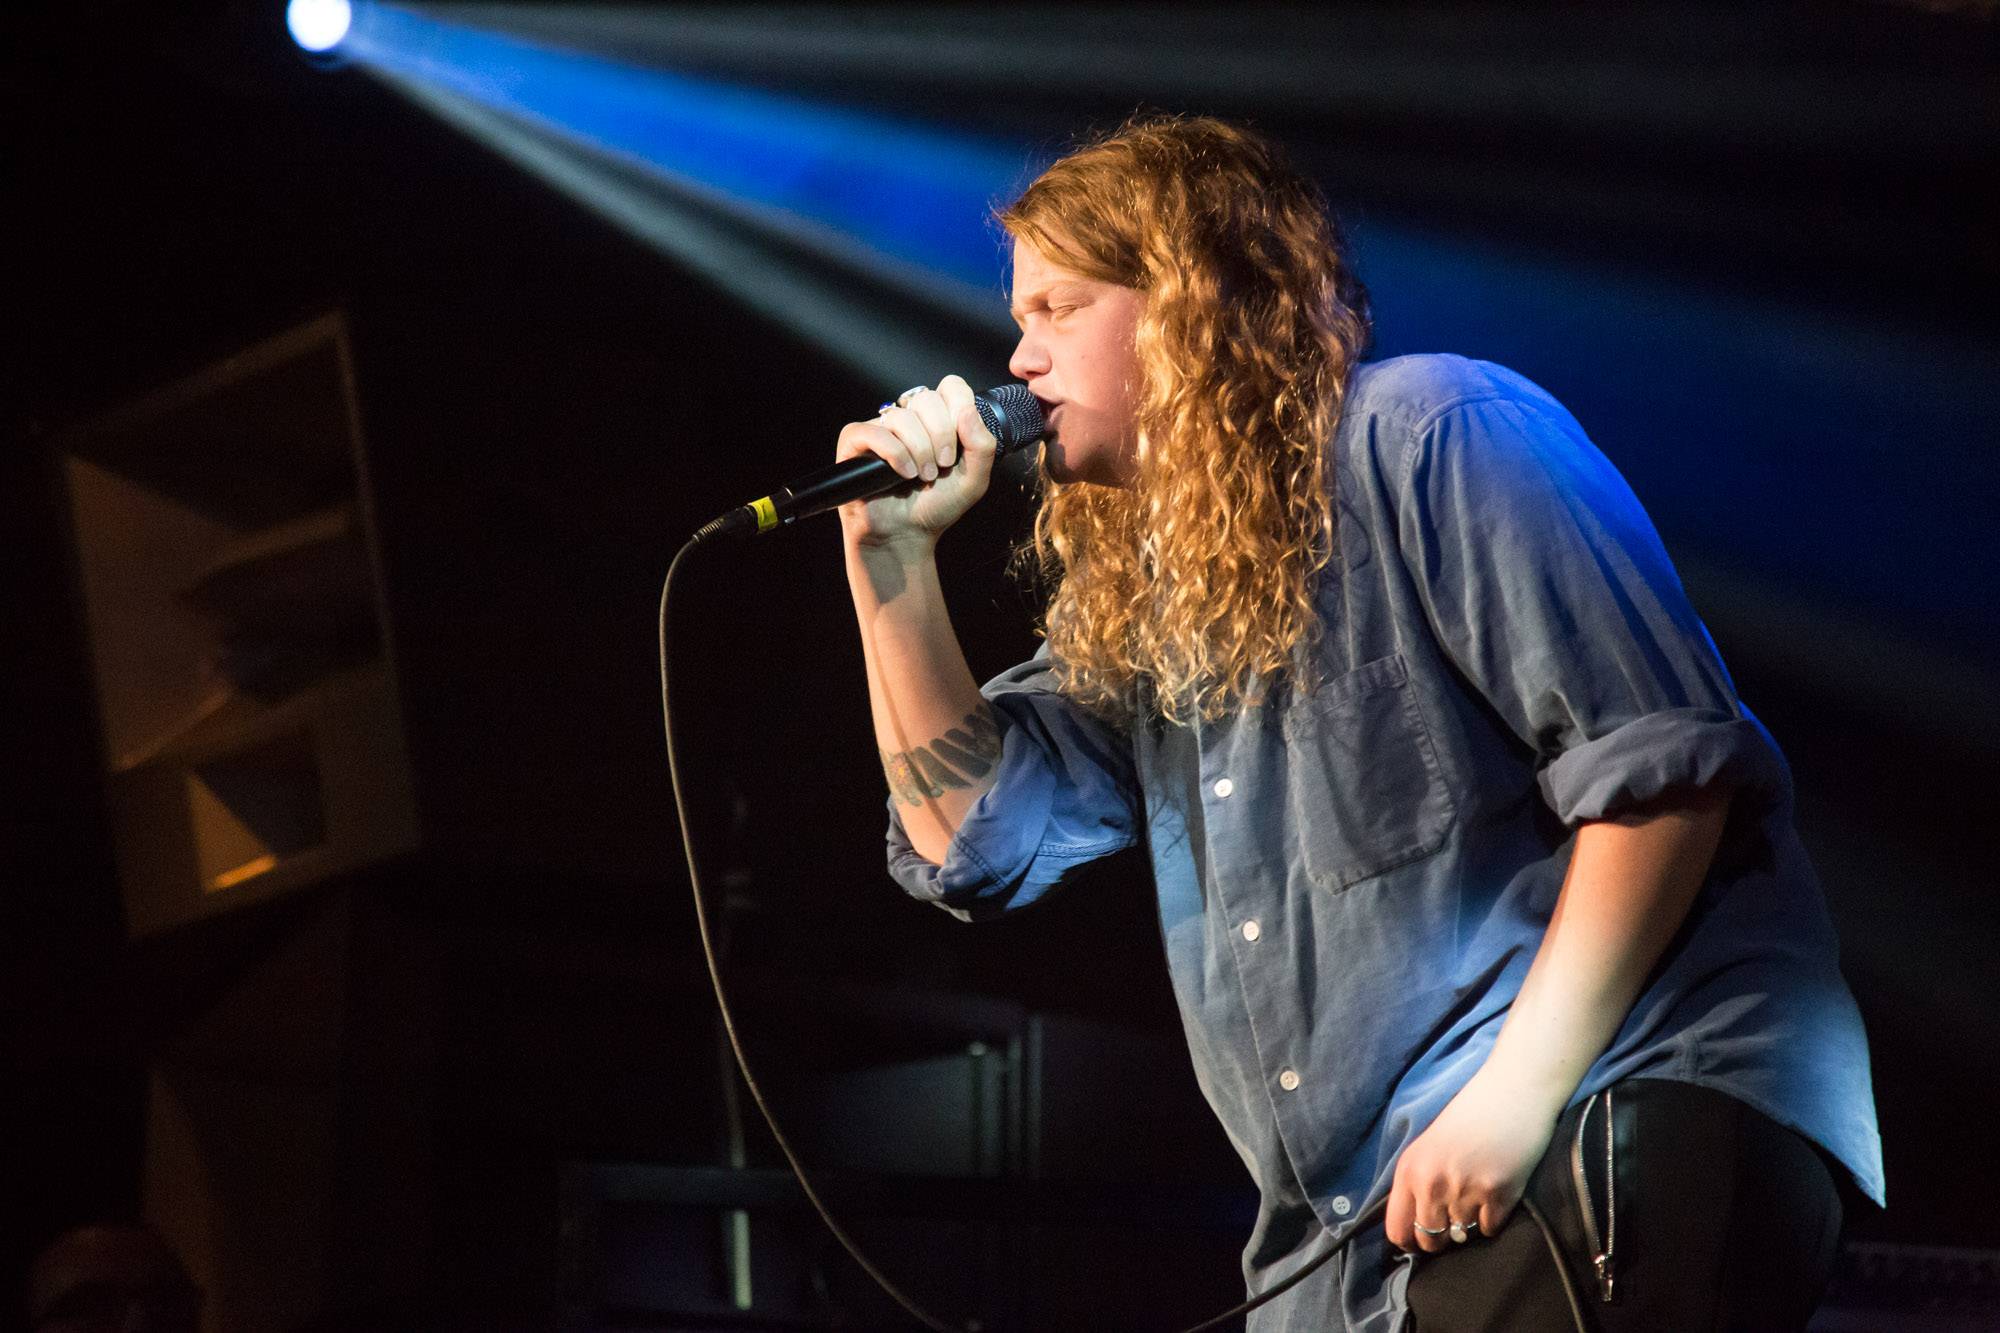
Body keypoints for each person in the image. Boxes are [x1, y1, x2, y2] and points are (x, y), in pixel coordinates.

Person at [835, 115, 1883, 1331]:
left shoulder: (1434, 431)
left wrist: (1513, 1094)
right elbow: (972, 838)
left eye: (1056, 309)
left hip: (1608, 1110)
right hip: (1365, 1242)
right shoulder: (1153, 602)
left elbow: (1662, 778)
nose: (1016, 359)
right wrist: (887, 562)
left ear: (1187, 304)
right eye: (1020, 318)